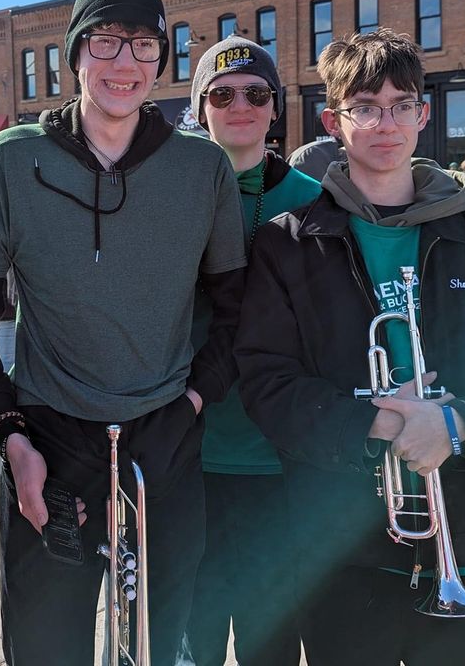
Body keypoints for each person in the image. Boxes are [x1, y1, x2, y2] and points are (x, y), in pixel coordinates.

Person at [0, 0, 246, 666]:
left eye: (145, 44)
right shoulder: (9, 162)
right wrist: (11, 436)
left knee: (152, 649)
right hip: (50, 446)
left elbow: (238, 317)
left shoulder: (203, 170)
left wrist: (190, 408)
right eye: (105, 39)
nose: (126, 61)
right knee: (46, 652)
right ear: (76, 52)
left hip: (164, 446)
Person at [236, 28, 465, 666]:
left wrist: (456, 424)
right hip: (339, 544)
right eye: (364, 106)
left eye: (399, 104)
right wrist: (378, 424)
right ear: (334, 121)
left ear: (422, 115)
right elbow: (265, 382)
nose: (383, 122)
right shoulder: (288, 243)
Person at [183, 38, 320, 666]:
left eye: (256, 94)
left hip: (279, 463)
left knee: (270, 639)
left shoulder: (316, 202)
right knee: (193, 634)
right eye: (222, 93)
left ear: (275, 110)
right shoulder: (167, 193)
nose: (240, 104)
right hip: (187, 455)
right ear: (201, 107)